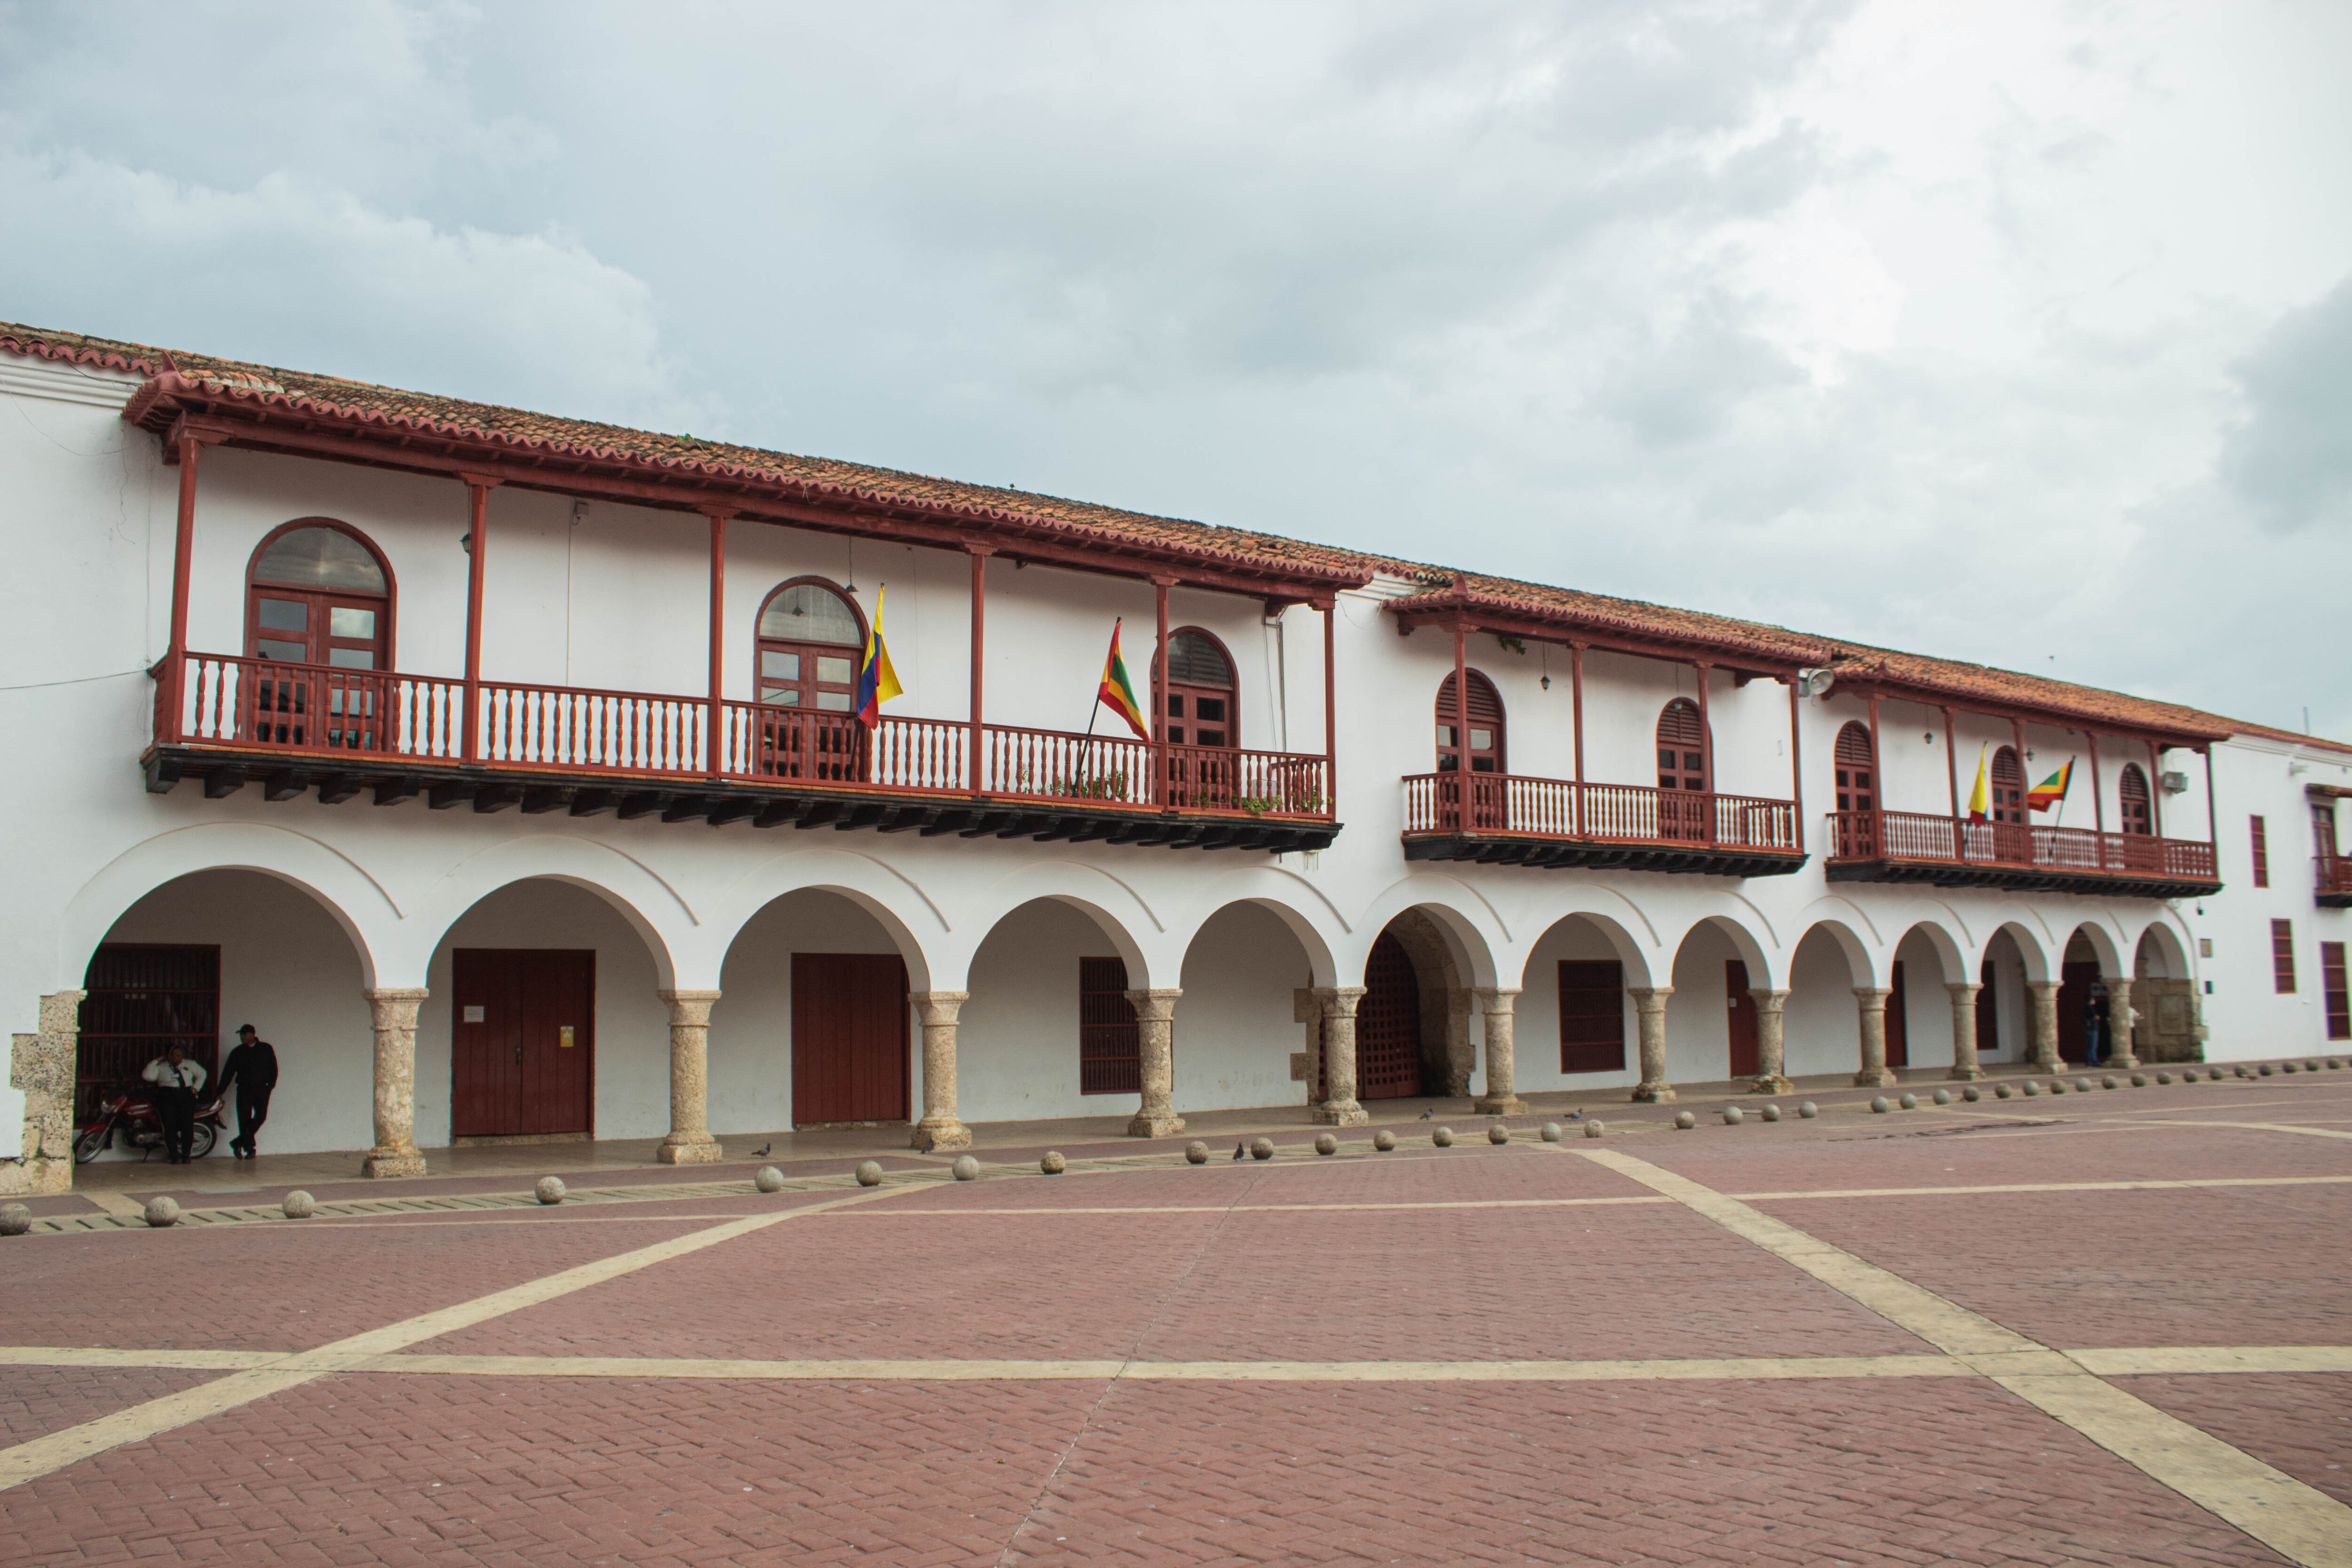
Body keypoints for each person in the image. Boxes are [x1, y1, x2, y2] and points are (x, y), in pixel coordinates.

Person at [218, 1024, 279, 1160]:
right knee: (244, 1119)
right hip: (244, 1089)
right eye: (241, 1035)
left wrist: (270, 1085)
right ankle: (249, 1149)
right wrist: (220, 1091)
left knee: (261, 1117)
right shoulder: (238, 1052)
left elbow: (273, 1067)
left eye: (244, 1035)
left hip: (262, 1089)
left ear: (252, 1034)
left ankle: (238, 1142)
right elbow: (228, 1073)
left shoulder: (266, 1048)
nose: (242, 1038)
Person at [141, 1043, 207, 1164]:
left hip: (186, 1095)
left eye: (181, 1055)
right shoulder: (162, 1067)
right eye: (176, 1055)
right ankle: (174, 1155)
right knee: (170, 1126)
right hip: (168, 1096)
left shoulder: (189, 1064)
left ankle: (186, 1155)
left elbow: (202, 1074)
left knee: (187, 1126)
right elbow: (147, 1076)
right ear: (170, 1056)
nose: (179, 1058)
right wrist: (155, 1062)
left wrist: (196, 1088)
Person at [2082, 981, 2108, 1068]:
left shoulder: (2086, 1008)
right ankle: (2092, 1061)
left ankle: (2091, 1061)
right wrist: (2097, 1017)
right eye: (2093, 999)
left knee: (2090, 1046)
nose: (2095, 1001)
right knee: (2092, 1046)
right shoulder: (2090, 1008)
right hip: (2093, 1029)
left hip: (2089, 1028)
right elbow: (2096, 1017)